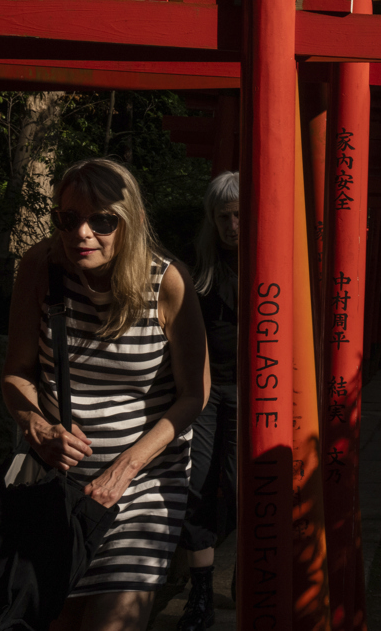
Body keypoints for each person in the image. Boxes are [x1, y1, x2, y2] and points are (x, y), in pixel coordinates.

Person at [2, 158, 209, 631]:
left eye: (102, 220)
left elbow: (194, 394)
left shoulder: (167, 281)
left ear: (131, 221)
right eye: (69, 218)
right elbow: (16, 372)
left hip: (144, 480)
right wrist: (36, 426)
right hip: (60, 484)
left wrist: (127, 466)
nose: (83, 233)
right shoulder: (40, 267)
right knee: (61, 618)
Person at [176, 171, 240, 630]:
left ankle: (248, 570)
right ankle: (200, 591)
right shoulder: (198, 261)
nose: (232, 225)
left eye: (240, 215)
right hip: (204, 386)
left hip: (255, 387)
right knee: (196, 482)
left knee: (241, 485)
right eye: (224, 216)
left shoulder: (275, 256)